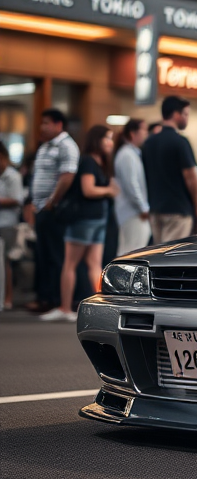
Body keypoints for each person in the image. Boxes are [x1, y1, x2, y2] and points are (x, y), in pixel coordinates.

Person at [40, 126, 119, 322]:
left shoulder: (93, 162)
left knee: (74, 264)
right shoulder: (91, 162)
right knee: (89, 264)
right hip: (91, 217)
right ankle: (83, 308)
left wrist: (108, 190)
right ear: (96, 140)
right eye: (107, 138)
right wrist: (109, 190)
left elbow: (89, 190)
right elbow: (88, 190)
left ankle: (67, 307)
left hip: (89, 219)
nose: (110, 142)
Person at [23, 108, 80, 313]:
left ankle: (56, 299)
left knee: (55, 255)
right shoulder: (45, 146)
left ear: (58, 124)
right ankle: (44, 298)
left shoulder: (66, 146)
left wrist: (52, 201)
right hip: (40, 207)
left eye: (46, 123)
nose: (42, 127)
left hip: (54, 210)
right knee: (42, 254)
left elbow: (67, 175)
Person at [141, 96, 197, 243]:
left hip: (155, 209)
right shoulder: (180, 142)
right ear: (176, 115)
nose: (187, 119)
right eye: (186, 114)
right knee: (173, 257)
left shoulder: (149, 142)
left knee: (159, 254)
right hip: (178, 210)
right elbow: (190, 176)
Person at [113, 118, 150, 255]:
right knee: (131, 253)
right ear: (133, 133)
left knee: (133, 251)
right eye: (143, 130)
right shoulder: (127, 155)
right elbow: (131, 185)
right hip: (132, 212)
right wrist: (143, 208)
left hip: (134, 211)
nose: (146, 133)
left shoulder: (132, 153)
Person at [0, 140, 25, 311]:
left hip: (8, 223)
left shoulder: (13, 176)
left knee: (7, 262)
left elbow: (17, 199)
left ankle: (7, 297)